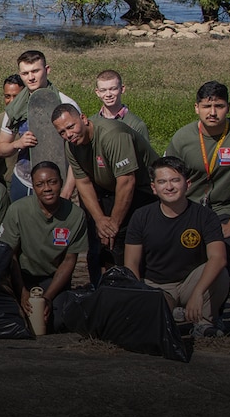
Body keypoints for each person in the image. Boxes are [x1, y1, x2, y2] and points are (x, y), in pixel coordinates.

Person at [165, 81, 230, 276]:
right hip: (188, 206)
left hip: (225, 207)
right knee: (184, 258)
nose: (212, 112)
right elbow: (169, 180)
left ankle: (217, 303)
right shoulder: (182, 138)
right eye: (206, 106)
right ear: (197, 108)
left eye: (219, 106)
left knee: (220, 257)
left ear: (228, 107)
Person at [51, 103, 157, 286]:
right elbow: (83, 182)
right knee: (98, 239)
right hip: (107, 188)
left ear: (83, 119)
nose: (68, 134)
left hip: (143, 188)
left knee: (119, 239)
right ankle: (100, 288)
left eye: (71, 127)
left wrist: (113, 223)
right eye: (62, 132)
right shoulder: (72, 146)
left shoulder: (112, 136)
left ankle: (133, 287)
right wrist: (100, 219)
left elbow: (127, 181)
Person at [126, 156, 229, 338]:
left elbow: (218, 257)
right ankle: (172, 315)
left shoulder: (205, 216)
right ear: (154, 188)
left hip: (191, 282)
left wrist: (198, 292)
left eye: (175, 180)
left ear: (187, 184)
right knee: (151, 317)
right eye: (162, 182)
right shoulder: (141, 216)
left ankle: (204, 323)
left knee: (220, 272)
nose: (169, 187)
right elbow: (131, 262)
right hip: (157, 285)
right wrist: (139, 295)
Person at [0, 161, 87, 328]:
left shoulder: (76, 215)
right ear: (34, 186)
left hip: (52, 278)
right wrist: (22, 291)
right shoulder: (18, 210)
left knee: (58, 321)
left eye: (52, 182)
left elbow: (69, 260)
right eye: (40, 184)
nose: (47, 188)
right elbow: (10, 254)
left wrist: (48, 297)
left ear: (61, 182)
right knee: (14, 319)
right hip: (21, 276)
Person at [0, 50, 78, 201]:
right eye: (25, 73)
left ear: (47, 70)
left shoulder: (65, 104)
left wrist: (67, 190)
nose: (31, 77)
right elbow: (1, 149)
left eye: (35, 71)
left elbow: (78, 152)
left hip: (58, 182)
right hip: (24, 180)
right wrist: (17, 144)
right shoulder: (15, 108)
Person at [93, 69, 150, 143]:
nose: (108, 94)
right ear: (97, 92)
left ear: (122, 89)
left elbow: (145, 153)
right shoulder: (92, 122)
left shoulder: (136, 125)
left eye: (113, 89)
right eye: (103, 90)